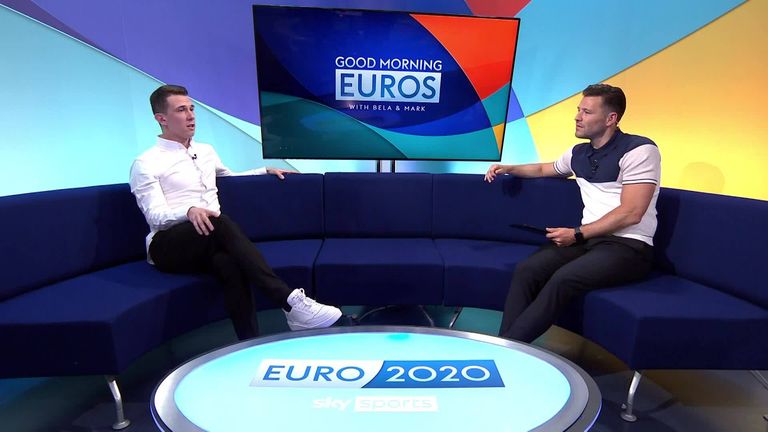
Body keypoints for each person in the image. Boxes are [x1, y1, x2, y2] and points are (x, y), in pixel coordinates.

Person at [129, 84, 342, 340]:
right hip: (168, 245)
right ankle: (288, 300)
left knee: (228, 262)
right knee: (218, 221)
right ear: (161, 119)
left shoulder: (205, 151)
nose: (191, 116)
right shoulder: (146, 163)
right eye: (181, 110)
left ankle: (250, 342)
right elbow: (154, 215)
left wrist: (264, 171)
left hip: (209, 238)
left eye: (192, 109)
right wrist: (189, 210)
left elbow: (229, 177)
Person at [484, 83, 660, 343]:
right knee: (527, 269)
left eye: (587, 112)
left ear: (611, 119)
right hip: (590, 240)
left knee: (563, 279)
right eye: (579, 110)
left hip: (628, 246)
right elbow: (544, 169)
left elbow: (631, 213)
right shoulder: (579, 153)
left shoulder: (639, 150)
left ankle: (508, 349)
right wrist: (509, 168)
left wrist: (576, 233)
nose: (577, 117)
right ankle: (507, 343)